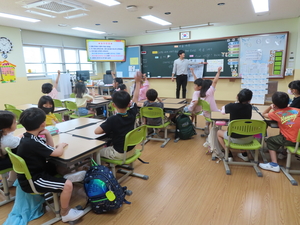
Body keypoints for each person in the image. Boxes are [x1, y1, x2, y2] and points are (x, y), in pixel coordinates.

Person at [17, 108, 86, 222]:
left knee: (59, 165)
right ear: (43, 124)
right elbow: (57, 152)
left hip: (36, 170)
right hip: (34, 180)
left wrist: (48, 134)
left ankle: (64, 179)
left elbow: (49, 149)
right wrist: (61, 146)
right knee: (68, 185)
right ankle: (65, 213)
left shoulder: (27, 137)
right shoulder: (34, 142)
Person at [94, 72, 142, 160]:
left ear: (113, 105)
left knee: (94, 151)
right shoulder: (132, 113)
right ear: (128, 104)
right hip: (132, 150)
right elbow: (135, 98)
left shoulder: (112, 119)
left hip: (119, 154)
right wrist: (138, 82)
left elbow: (96, 132)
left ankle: (100, 170)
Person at [259, 92, 300, 172]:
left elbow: (264, 114)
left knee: (270, 140)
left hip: (291, 140)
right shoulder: (297, 110)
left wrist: (270, 107)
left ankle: (274, 164)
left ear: (274, 104)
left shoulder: (276, 114)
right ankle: (283, 153)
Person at [217, 89, 254, 162]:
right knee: (242, 130)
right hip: (249, 138)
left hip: (233, 137)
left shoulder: (231, 106)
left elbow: (223, 111)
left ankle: (228, 153)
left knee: (218, 132)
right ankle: (244, 154)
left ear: (237, 96)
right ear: (249, 100)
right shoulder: (249, 107)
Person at [0, 110, 21, 187]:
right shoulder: (8, 140)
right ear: (5, 128)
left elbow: (11, 136)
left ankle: (11, 179)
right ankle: (11, 180)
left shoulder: (2, 132)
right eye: (14, 122)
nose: (17, 123)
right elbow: (20, 141)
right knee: (19, 156)